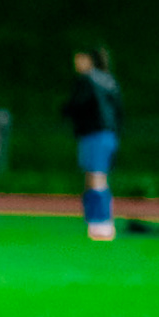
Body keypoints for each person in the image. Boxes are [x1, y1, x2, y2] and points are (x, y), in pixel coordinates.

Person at [60, 46, 121, 241]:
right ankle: (96, 222)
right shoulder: (109, 80)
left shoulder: (88, 80)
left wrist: (65, 110)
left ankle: (102, 222)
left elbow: (77, 104)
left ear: (88, 60)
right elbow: (118, 110)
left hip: (95, 134)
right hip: (108, 134)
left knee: (96, 179)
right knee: (95, 178)